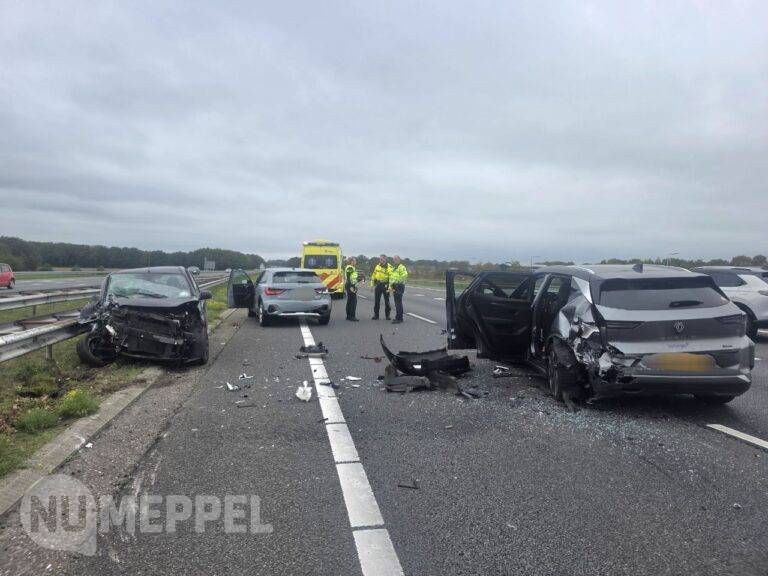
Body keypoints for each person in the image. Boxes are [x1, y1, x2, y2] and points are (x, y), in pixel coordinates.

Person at [370, 254, 392, 320]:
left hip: (385, 285)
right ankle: (376, 315)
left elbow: (391, 278)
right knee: (377, 301)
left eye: (382, 259)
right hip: (378, 284)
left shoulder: (389, 267)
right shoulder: (377, 266)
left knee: (387, 301)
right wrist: (371, 285)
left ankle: (387, 315)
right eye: (380, 259)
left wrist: (390, 287)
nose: (380, 260)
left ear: (385, 259)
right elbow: (373, 275)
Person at [389, 255, 408, 323]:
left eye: (396, 259)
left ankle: (399, 318)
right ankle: (398, 317)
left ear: (399, 260)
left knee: (398, 303)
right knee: (396, 302)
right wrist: (390, 286)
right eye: (394, 259)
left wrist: (397, 281)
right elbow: (391, 277)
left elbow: (405, 275)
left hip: (399, 286)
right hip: (394, 286)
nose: (395, 261)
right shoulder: (394, 268)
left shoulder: (401, 267)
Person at [344, 256, 360, 321]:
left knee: (350, 300)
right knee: (353, 301)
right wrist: (351, 286)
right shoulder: (350, 267)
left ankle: (348, 316)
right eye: (354, 260)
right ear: (351, 261)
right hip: (350, 285)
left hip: (351, 285)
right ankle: (352, 316)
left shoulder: (352, 267)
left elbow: (353, 277)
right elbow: (348, 277)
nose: (356, 262)